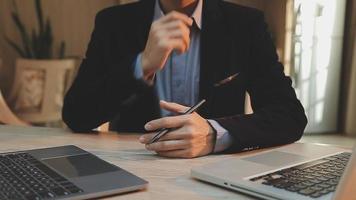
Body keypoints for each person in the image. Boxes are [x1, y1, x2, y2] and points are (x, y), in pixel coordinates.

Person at [62, 0, 307, 158]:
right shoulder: (114, 23)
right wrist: (141, 65)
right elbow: (77, 115)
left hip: (216, 175)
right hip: (131, 169)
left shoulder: (245, 25)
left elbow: (290, 115)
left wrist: (215, 134)